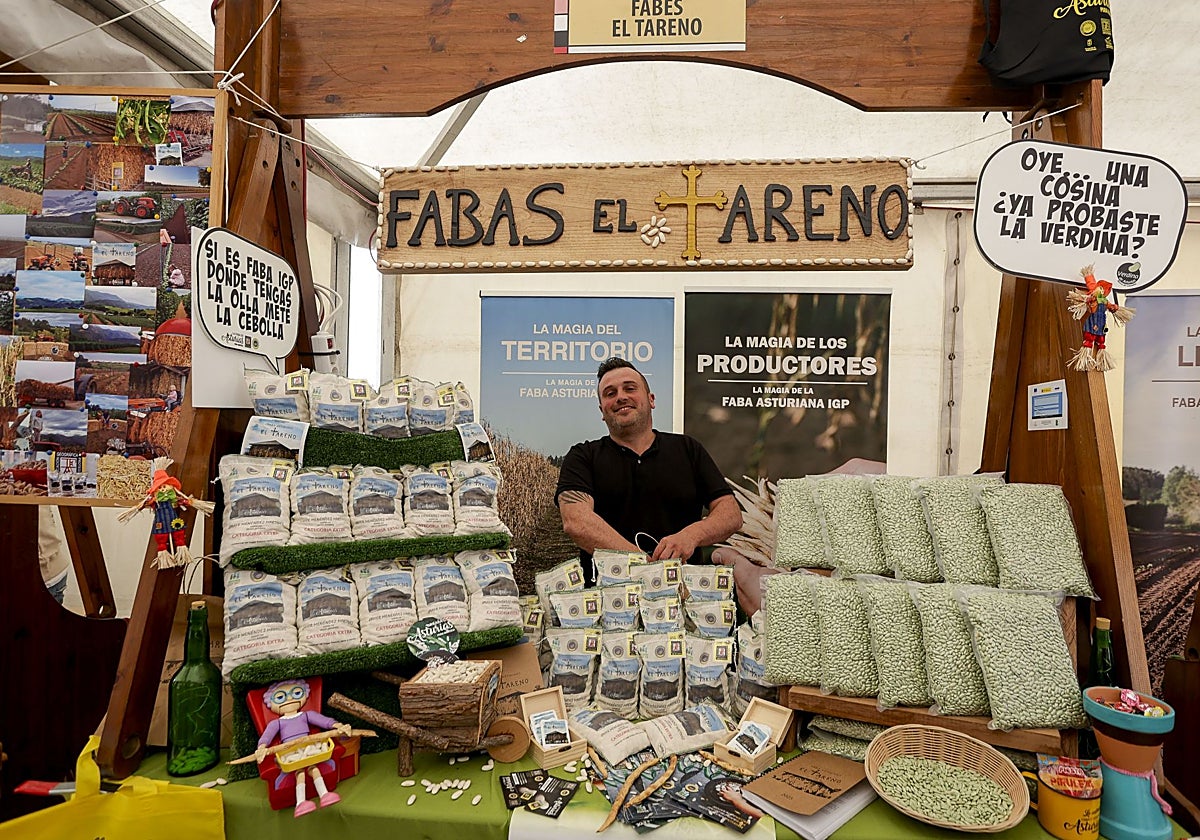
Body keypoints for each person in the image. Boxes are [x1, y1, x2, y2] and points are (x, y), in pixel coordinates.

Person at [555, 357, 741, 582]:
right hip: (609, 601)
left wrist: (690, 536)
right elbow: (576, 520)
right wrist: (642, 565)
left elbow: (730, 514)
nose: (621, 396)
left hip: (684, 595)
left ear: (651, 399)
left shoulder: (687, 449)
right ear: (602, 410)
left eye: (630, 388)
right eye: (610, 393)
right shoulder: (582, 456)